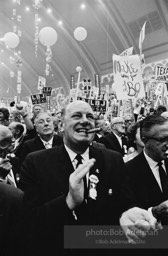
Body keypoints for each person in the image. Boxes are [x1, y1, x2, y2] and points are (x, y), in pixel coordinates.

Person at [18, 100, 126, 255]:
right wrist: (68, 202)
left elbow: (124, 203)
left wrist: (132, 212)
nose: (85, 121)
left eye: (90, 117)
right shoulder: (35, 162)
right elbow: (28, 221)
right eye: (76, 116)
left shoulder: (113, 159)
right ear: (61, 126)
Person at [120, 115, 168, 229]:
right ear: (145, 140)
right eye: (162, 140)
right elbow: (127, 211)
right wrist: (154, 212)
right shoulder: (128, 171)